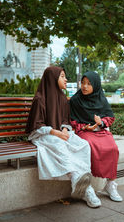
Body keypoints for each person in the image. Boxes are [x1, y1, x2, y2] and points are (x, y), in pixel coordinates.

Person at [26, 66, 101, 208]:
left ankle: (84, 184)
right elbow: (36, 126)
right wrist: (55, 132)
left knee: (83, 144)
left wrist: (65, 129)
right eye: (62, 76)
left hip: (59, 133)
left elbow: (65, 121)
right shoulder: (40, 99)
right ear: (52, 78)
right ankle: (77, 181)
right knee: (58, 143)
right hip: (42, 134)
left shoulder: (62, 98)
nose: (66, 79)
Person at [69, 71, 122, 202]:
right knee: (90, 146)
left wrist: (101, 122)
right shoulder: (76, 100)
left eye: (89, 84)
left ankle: (110, 185)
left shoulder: (101, 99)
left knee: (113, 148)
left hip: (100, 131)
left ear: (96, 86)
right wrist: (84, 127)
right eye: (83, 83)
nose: (85, 87)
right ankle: (88, 187)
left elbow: (109, 117)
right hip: (84, 131)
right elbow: (71, 121)